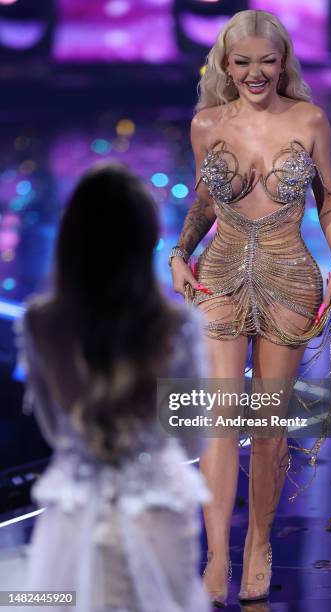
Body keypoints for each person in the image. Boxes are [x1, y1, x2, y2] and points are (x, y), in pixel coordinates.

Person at [169, 9, 331, 607]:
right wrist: (179, 252)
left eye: (266, 61)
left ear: (282, 63)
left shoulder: (310, 120)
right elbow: (203, 200)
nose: (254, 73)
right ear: (226, 64)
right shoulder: (205, 125)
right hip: (219, 274)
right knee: (222, 421)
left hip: (290, 275)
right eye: (242, 61)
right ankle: (217, 553)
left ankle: (259, 546)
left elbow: (329, 199)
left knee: (267, 428)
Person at [15, 162, 211, 612]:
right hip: (158, 503)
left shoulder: (40, 323)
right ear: (144, 240)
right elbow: (191, 436)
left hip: (73, 504)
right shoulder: (175, 324)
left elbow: (54, 431)